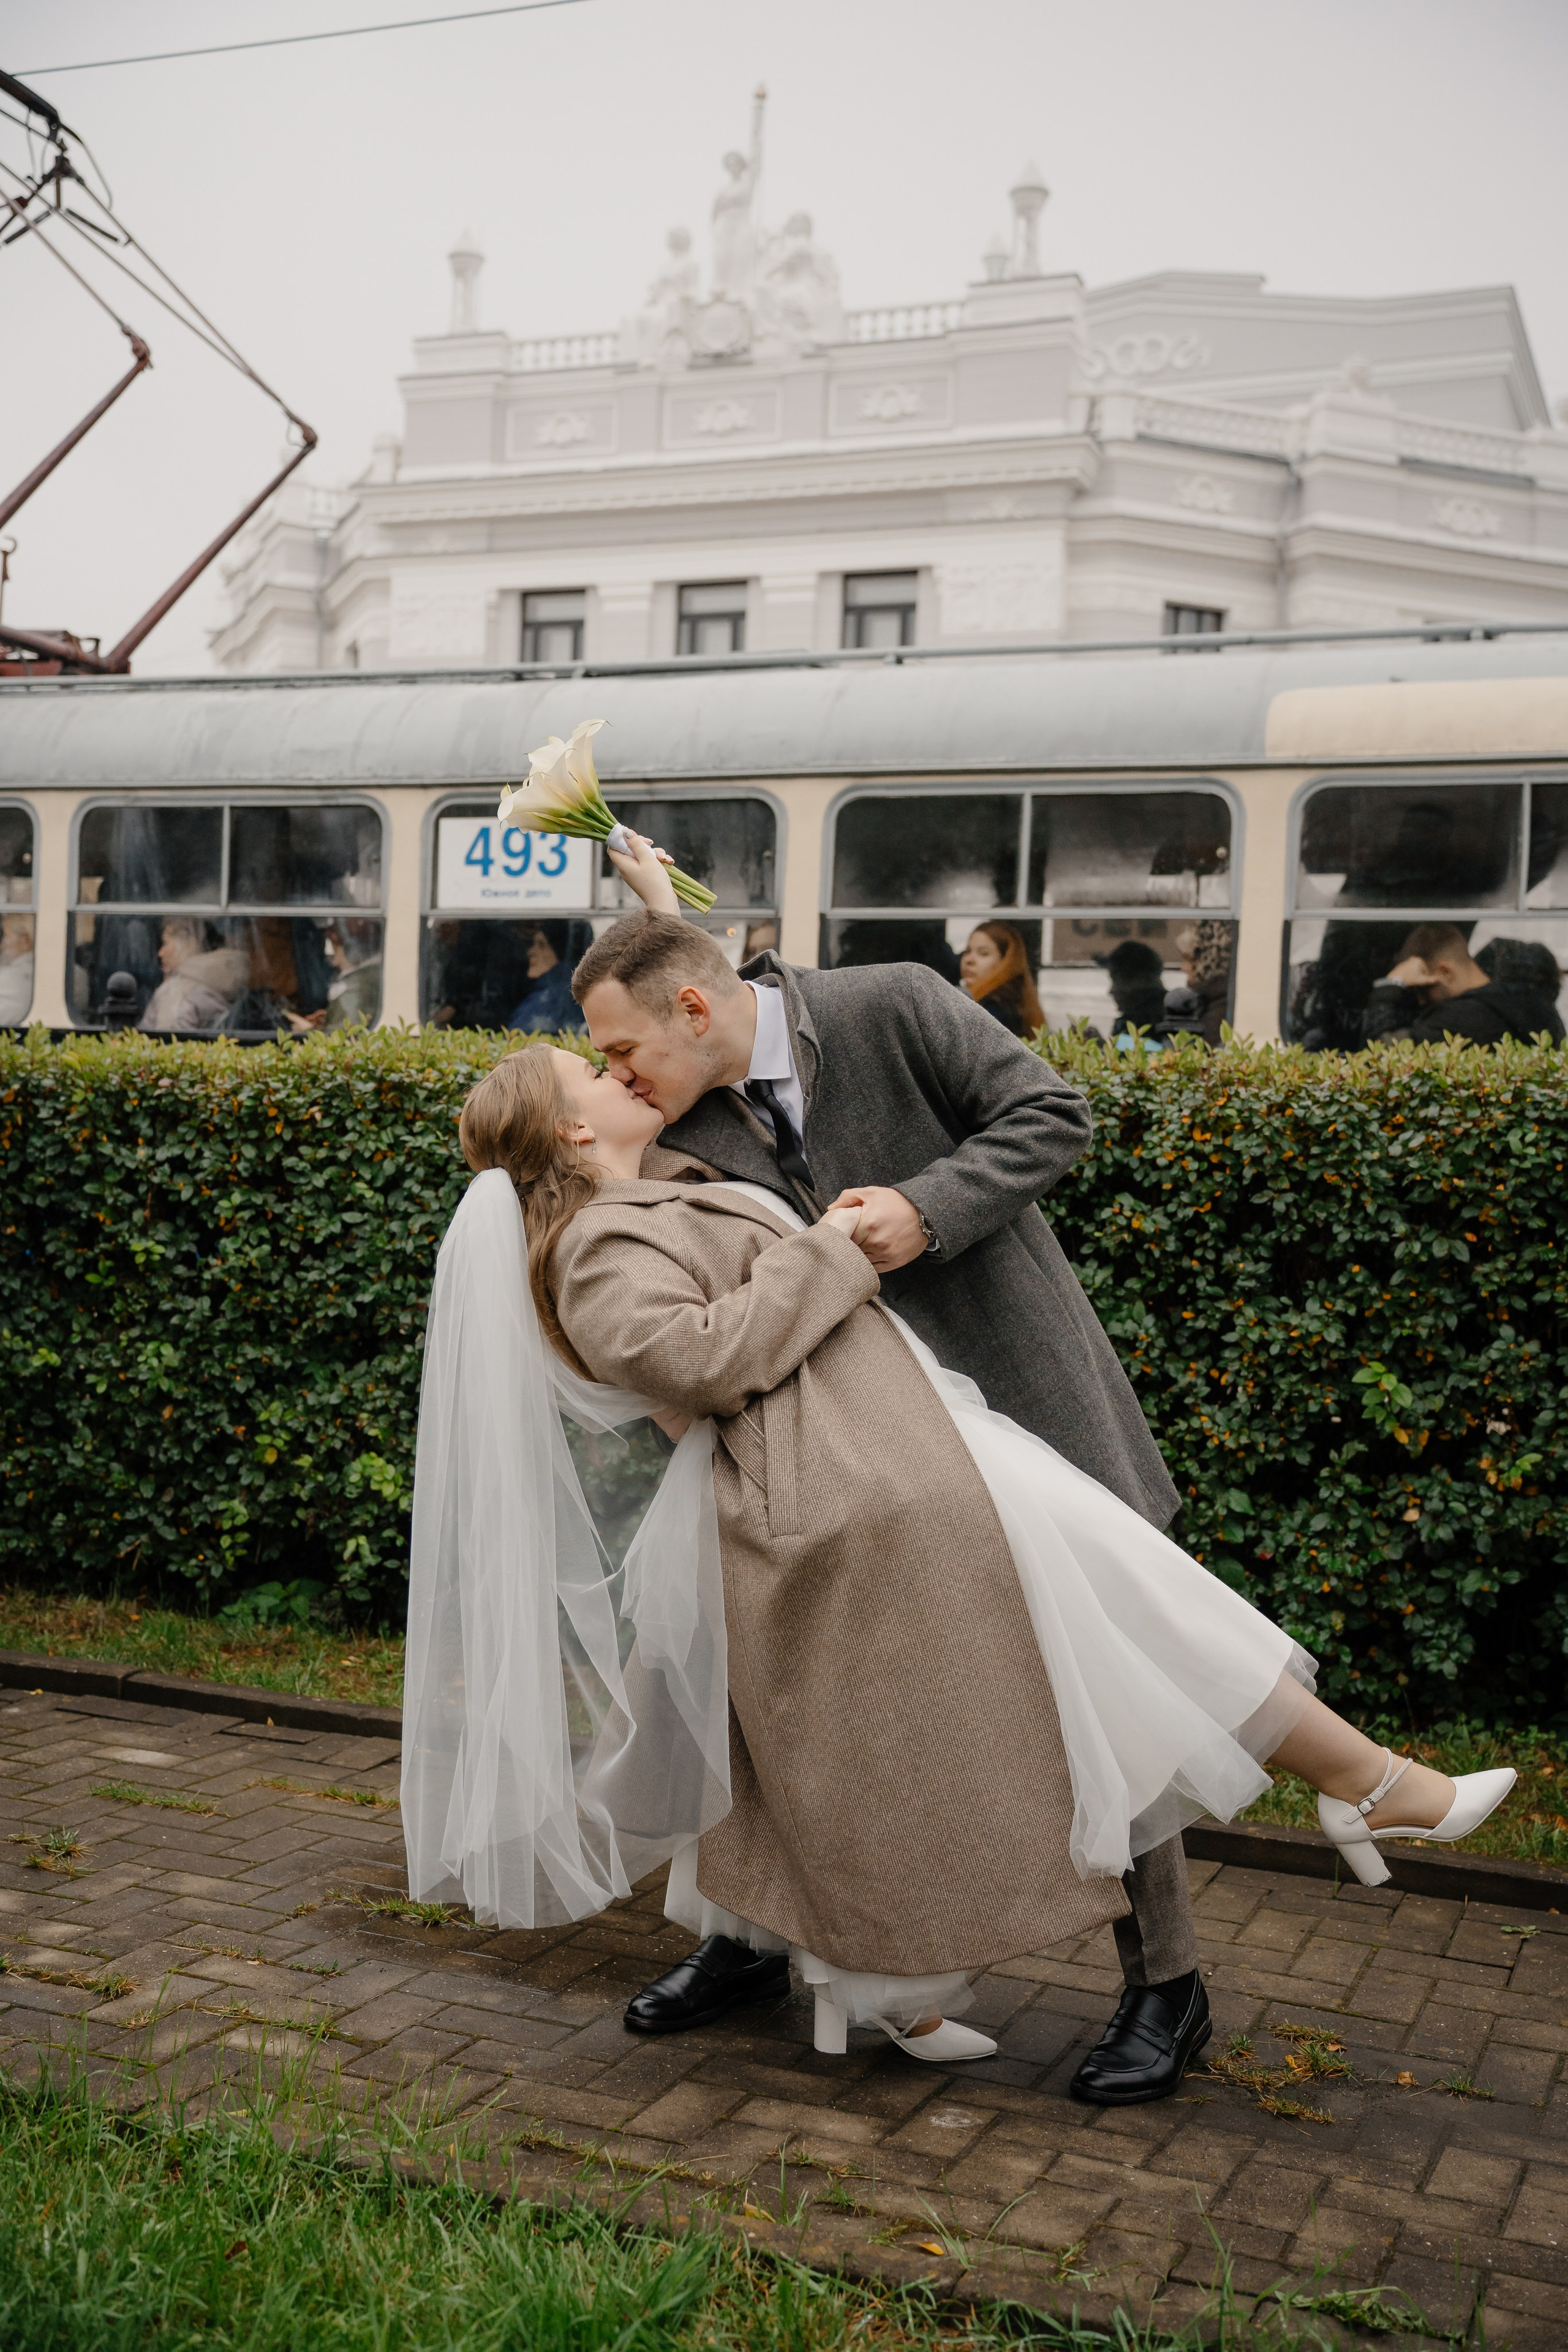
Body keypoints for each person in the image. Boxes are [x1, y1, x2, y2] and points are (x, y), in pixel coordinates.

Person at [407, 1028, 1516, 2087]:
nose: (618, 1071)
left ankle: (1358, 1786)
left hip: (910, 1445)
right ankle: (1362, 1785)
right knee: (1107, 1624)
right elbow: (693, 1363)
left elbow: (714, 1099)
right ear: (570, 1130)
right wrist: (834, 1248)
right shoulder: (597, 1244)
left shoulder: (663, 1185)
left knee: (1118, 1617)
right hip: (862, 1473)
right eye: (591, 1071)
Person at [1385, 923, 1565, 1047]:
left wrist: (1389, 988)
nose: (1422, 1001)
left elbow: (1388, 1052)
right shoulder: (1530, 1001)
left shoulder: (1457, 1020)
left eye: (1424, 990)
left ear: (1445, 972)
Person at [139, 918, 247, 1034]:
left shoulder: (178, 992)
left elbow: (170, 1040)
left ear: (189, 945)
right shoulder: (228, 984)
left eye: (166, 943)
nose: (160, 953)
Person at [959, 922, 1044, 1039]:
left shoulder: (997, 1007)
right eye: (967, 951)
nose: (969, 960)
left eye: (983, 954)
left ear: (1006, 962)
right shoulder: (1014, 1002)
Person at [507, 924, 586, 1034]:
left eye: (542, 945)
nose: (531, 952)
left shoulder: (549, 998)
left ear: (560, 951)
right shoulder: (569, 991)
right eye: (532, 944)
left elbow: (515, 1035)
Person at [1101, 939, 1169, 1046]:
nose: (1111, 991)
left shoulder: (1152, 1021)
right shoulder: (1170, 1011)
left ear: (1139, 981)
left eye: (1117, 981)